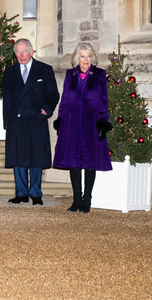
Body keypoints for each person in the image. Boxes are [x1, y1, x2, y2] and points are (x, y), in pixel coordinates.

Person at [52, 43, 113, 213]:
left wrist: (103, 121)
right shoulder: (70, 74)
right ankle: (76, 199)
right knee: (74, 163)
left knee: (90, 162)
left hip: (91, 123)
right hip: (71, 123)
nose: (86, 60)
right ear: (76, 58)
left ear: (92, 57)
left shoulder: (100, 74)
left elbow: (103, 101)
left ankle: (87, 199)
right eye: (82, 56)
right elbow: (64, 100)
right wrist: (60, 119)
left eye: (89, 56)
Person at [2, 38, 60, 205]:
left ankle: (35, 193)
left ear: (31, 51)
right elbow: (7, 99)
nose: (21, 55)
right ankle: (21, 193)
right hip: (17, 121)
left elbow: (53, 94)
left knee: (36, 158)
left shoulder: (44, 69)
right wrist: (6, 121)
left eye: (24, 51)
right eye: (18, 52)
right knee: (18, 159)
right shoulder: (10, 72)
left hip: (36, 120)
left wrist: (47, 110)